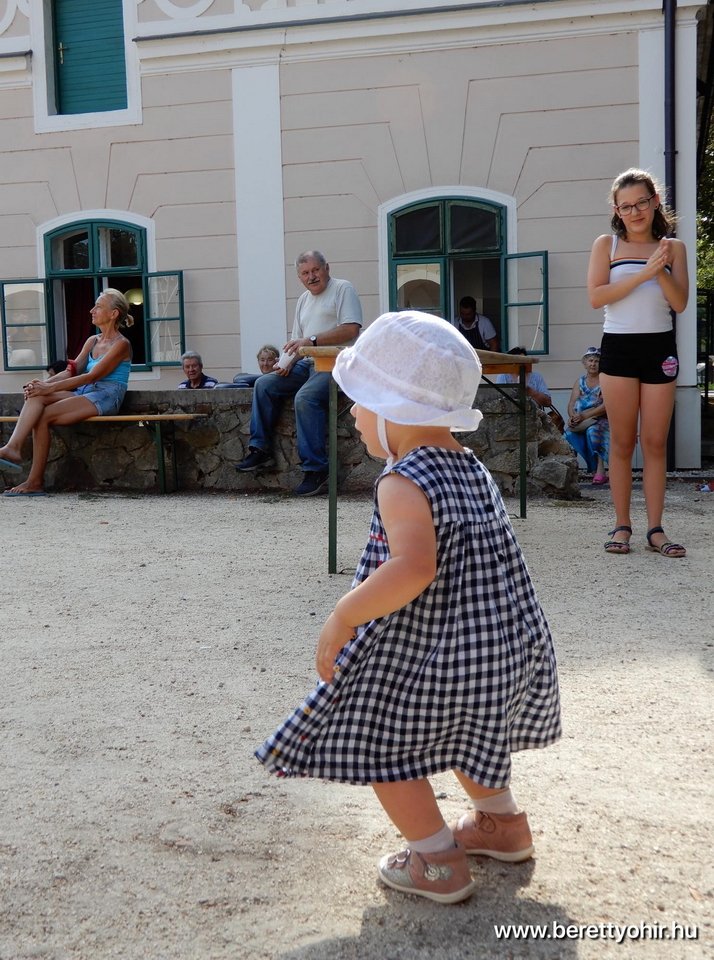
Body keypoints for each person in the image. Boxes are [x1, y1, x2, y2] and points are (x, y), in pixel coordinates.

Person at [255, 310, 561, 904]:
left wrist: (344, 614)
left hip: (440, 654)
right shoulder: (472, 468)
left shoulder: (403, 480)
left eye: (361, 401)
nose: (352, 413)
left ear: (395, 408)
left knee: (378, 736)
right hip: (497, 649)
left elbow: (414, 567)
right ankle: (502, 825)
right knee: (470, 732)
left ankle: (436, 859)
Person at [587, 168, 689, 556]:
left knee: (655, 442)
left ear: (655, 201)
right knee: (622, 441)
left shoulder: (673, 248)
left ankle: (656, 530)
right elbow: (597, 297)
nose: (635, 212)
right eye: (626, 206)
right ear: (617, 210)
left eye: (642, 203)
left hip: (659, 348)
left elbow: (680, 302)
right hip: (618, 347)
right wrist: (645, 272)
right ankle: (622, 526)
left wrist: (659, 270)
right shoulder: (607, 245)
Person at [235, 251, 362, 496]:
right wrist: (285, 363)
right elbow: (297, 341)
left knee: (305, 398)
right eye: (305, 273)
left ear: (326, 268)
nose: (311, 277)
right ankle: (260, 450)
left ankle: (317, 470)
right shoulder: (304, 299)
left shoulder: (342, 289)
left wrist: (311, 340)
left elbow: (350, 330)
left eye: (315, 270)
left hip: (337, 362)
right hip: (307, 362)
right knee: (264, 384)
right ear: (299, 277)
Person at [0, 289, 133, 496]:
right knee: (37, 396)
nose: (91, 310)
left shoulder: (122, 344)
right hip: (85, 391)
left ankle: (34, 481)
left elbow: (92, 376)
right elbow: (72, 370)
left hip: (107, 395)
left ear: (113, 314)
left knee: (43, 415)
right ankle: (13, 447)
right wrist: (41, 384)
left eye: (98, 306)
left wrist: (49, 387)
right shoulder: (92, 341)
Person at [564, 347, 610, 484]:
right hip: (581, 420)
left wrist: (584, 416)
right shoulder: (579, 382)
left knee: (592, 431)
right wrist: (572, 417)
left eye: (596, 361)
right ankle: (572, 470)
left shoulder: (605, 381)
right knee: (568, 435)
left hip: (600, 418)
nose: (593, 364)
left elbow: (606, 406)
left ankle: (600, 469)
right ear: (585, 363)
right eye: (590, 360)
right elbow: (571, 403)